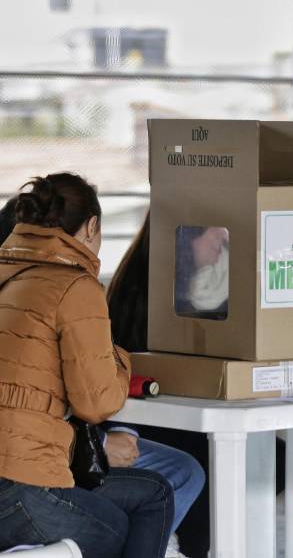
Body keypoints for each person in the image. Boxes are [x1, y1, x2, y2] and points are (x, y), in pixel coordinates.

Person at [0, 201, 206, 558]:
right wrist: (100, 436)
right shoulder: (67, 289)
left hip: (53, 451)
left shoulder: (30, 286)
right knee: (134, 519)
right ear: (89, 228)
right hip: (33, 469)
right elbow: (94, 398)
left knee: (179, 475)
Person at [106, 210, 286, 558]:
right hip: (149, 419)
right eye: (211, 231)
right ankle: (194, 545)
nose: (223, 237)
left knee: (269, 456)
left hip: (172, 413)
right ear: (184, 238)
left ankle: (201, 541)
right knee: (235, 459)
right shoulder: (153, 294)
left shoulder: (169, 281)